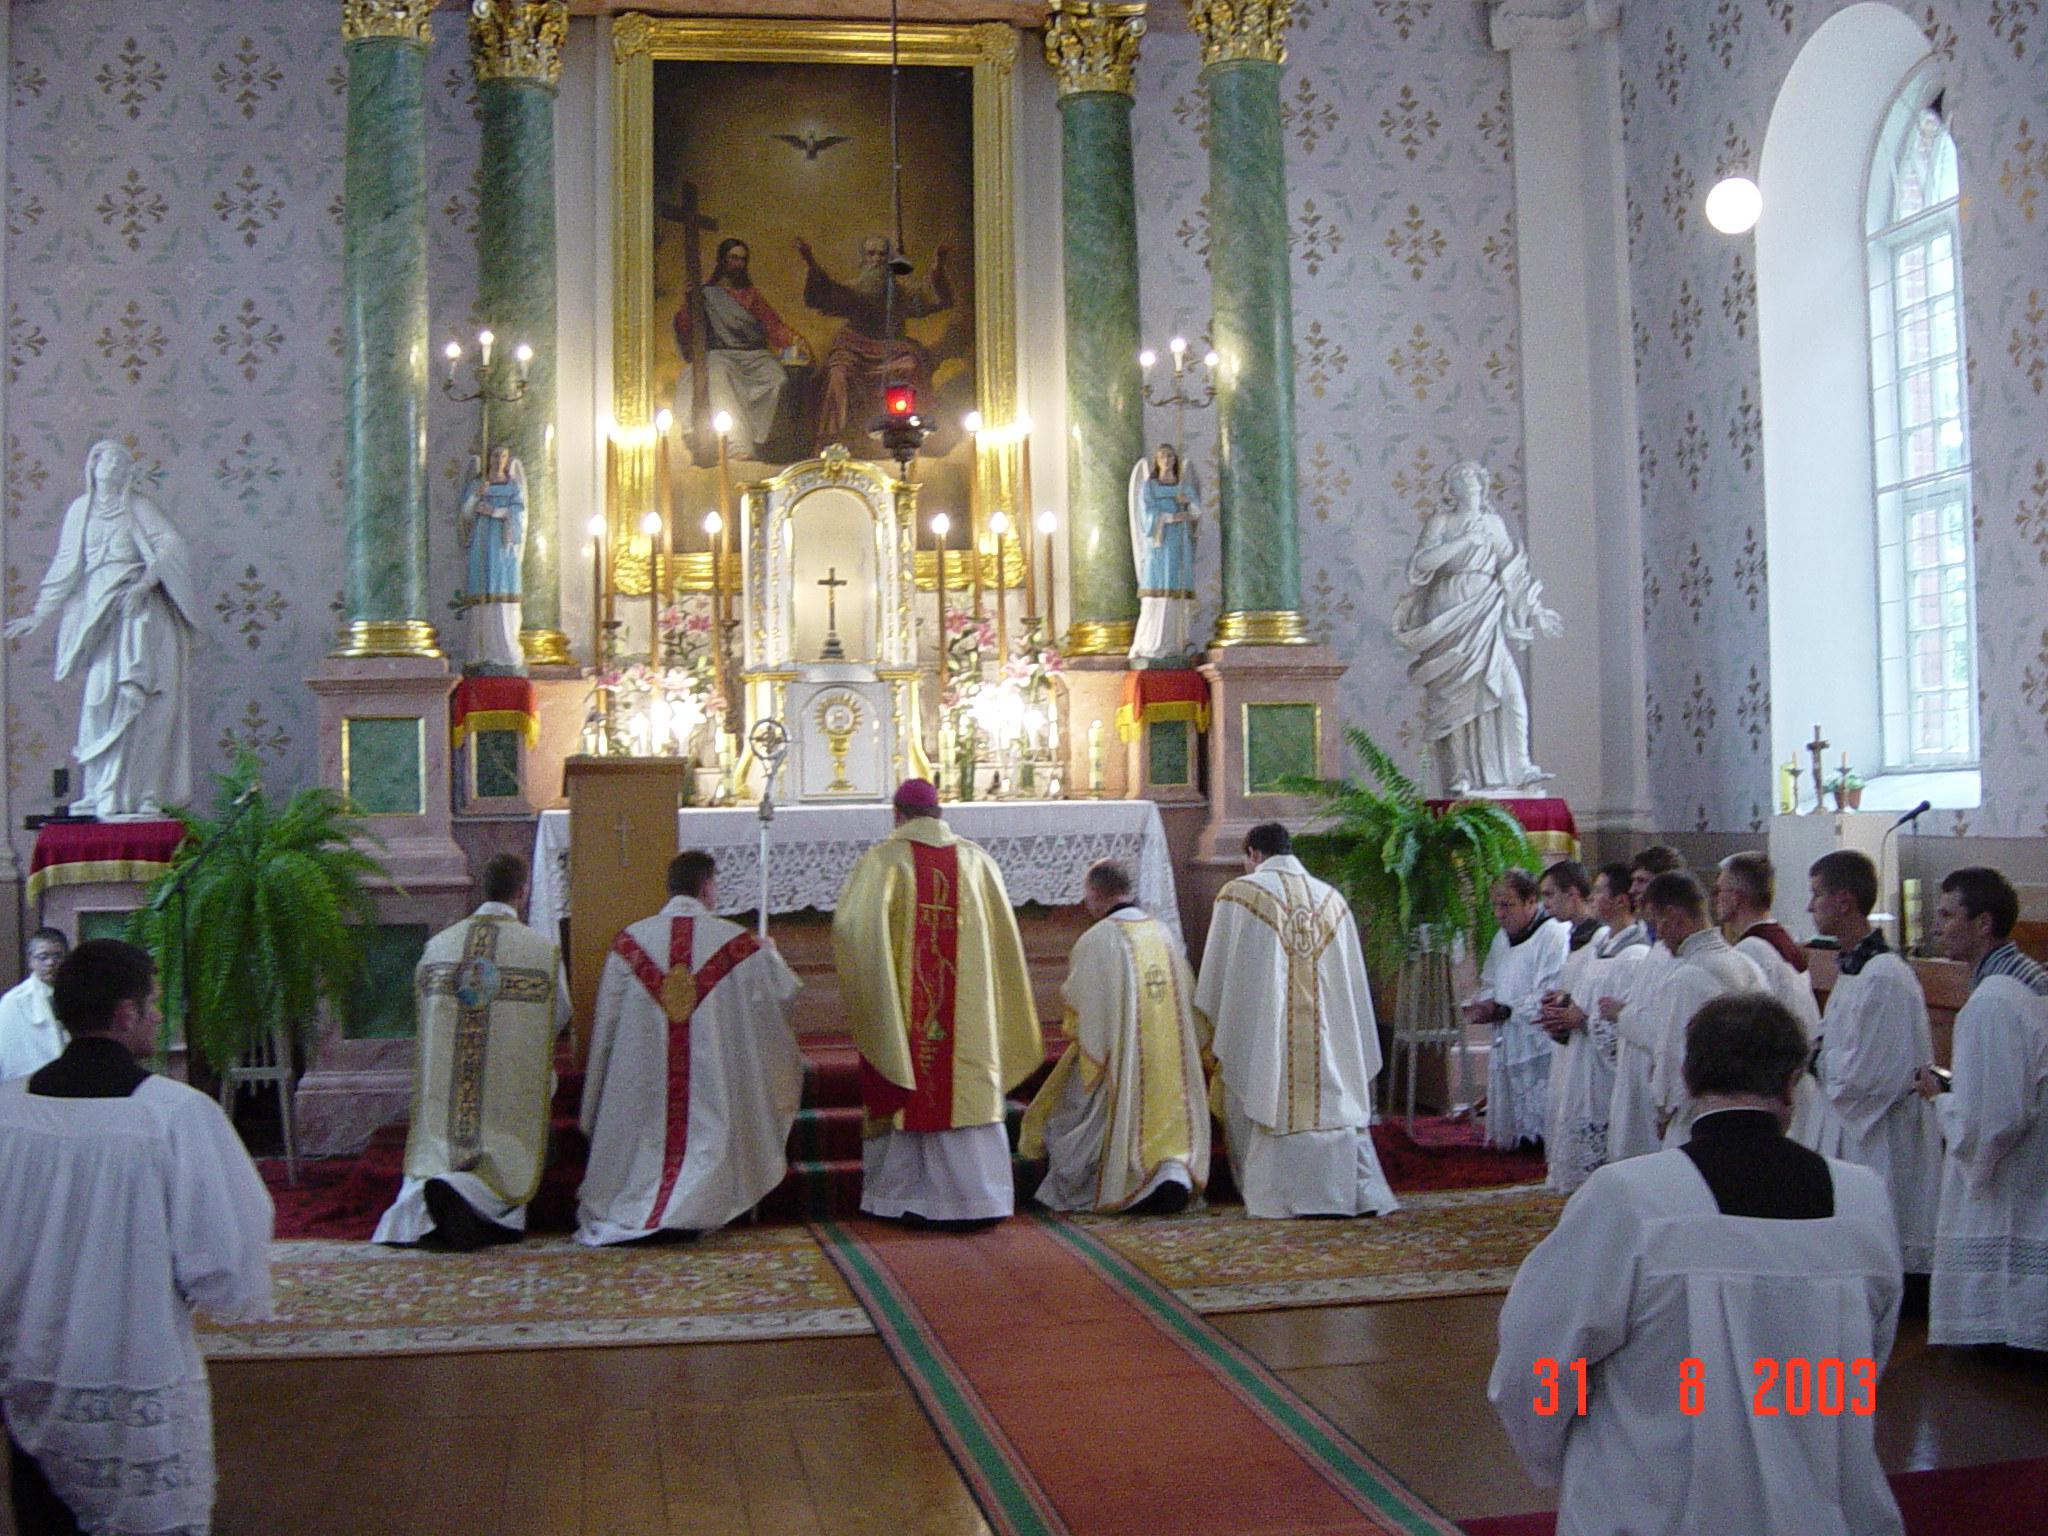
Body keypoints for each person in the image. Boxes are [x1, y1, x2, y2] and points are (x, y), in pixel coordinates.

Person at [1489, 994, 1906, 1536]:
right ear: (1792, 1084)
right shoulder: (1861, 1200)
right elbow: (1864, 1363)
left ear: (1686, 1078)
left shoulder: (1632, 1199)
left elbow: (1536, 1360)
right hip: (1819, 1506)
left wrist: (1554, 1453)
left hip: (1656, 1512)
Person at [0, 939, 273, 1536]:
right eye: (151, 1004)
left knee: (44, 1512)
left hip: (28, 1360)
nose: (157, 1017)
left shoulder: (6, 1112)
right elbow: (221, 1260)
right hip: (133, 1355)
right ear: (125, 1014)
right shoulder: (175, 1115)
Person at [831, 778, 1041, 1226]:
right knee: (961, 1083)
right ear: (939, 813)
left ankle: (903, 1198)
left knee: (911, 1073)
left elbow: (854, 934)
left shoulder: (883, 862)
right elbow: (1005, 946)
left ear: (897, 814)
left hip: (911, 1019)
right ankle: (977, 1199)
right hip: (968, 1021)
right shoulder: (977, 862)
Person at [576, 850, 803, 1245]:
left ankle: (639, 1204)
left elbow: (606, 1023)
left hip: (645, 1091)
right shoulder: (737, 944)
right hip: (708, 1094)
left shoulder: (631, 942)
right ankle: (694, 1204)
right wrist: (769, 952)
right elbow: (782, 994)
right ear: (706, 887)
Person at [1193, 822, 1398, 1219]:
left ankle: (1276, 1194)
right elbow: (1352, 989)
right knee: (1331, 1091)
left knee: (1262, 1078)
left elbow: (1218, 981)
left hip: (1269, 1045)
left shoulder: (1239, 894)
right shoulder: (1332, 900)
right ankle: (1341, 1194)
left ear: (1252, 854)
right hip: (1327, 1054)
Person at [373, 853, 571, 1250]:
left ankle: (435, 1201)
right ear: (522, 891)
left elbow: (427, 1015)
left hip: (451, 1082)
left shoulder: (439, 946)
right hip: (505, 1080)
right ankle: (478, 1209)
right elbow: (559, 1012)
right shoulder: (539, 952)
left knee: (443, 1148)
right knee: (507, 1152)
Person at [4, 439, 199, 819]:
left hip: (138, 617)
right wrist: (38, 615)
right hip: (99, 618)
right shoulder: (81, 511)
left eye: (119, 462)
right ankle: (98, 790)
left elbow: (173, 549)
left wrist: (143, 586)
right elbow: (65, 569)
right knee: (98, 699)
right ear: (92, 468)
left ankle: (145, 793)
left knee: (140, 702)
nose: (110, 466)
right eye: (104, 460)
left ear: (127, 473)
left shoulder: (139, 509)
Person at [1020, 859, 1208, 1214]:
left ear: (1094, 894)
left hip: (1118, 1059)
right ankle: (1171, 1174)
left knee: (1073, 1104)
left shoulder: (1097, 940)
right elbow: (1189, 998)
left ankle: (1128, 1182)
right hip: (1170, 1058)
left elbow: (1082, 1017)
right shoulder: (1163, 932)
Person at [1925, 866, 2048, 1352]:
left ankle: (2004, 1331)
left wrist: (1942, 1101)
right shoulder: (2024, 984)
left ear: (1983, 924)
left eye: (1948, 914)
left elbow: (1995, 1122)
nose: (1938, 926)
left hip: (2011, 1177)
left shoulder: (1994, 1002)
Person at [1806, 849, 1942, 1273]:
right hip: (1851, 1125)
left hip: (1879, 1136)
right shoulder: (1854, 971)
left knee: (1876, 1246)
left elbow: (1870, 1075)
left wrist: (1815, 1062)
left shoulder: (1884, 976)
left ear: (1844, 901)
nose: (1809, 907)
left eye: (1816, 895)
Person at [1391, 459, 1561, 795]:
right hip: (1448, 612)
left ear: (1483, 485)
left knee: (1509, 690)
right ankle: (1461, 773)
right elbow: (1421, 564)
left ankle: (1521, 765)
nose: (1469, 481)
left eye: (1474, 477)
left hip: (1485, 610)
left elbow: (1513, 572)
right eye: (1461, 477)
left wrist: (1536, 610)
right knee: (1454, 695)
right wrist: (1464, 542)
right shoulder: (1442, 522)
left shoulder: (1494, 524)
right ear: (1450, 489)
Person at [1634, 870, 1766, 1148]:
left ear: (1673, 915)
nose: (1658, 935)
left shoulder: (1685, 979)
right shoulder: (1747, 965)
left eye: (1656, 922)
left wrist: (1662, 1112)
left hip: (1701, 1123)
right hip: (1756, 1115)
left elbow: (1672, 1060)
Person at [1537, 863, 1648, 1192]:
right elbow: (1586, 997)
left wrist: (1584, 1020)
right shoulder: (1600, 944)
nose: (1593, 897)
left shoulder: (1636, 954)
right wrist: (1562, 1005)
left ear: (1621, 900)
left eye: (1600, 891)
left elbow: (1628, 1017)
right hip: (1582, 1062)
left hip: (1606, 1071)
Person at [798, 233, 953, 448]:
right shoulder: (852, 290)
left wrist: (938, 266)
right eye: (872, 254)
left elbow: (930, 296)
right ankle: (834, 439)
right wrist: (811, 262)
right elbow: (825, 292)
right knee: (838, 375)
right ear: (864, 258)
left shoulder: (901, 293)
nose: (877, 259)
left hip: (892, 350)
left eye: (882, 254)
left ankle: (912, 438)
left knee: (912, 366)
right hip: (853, 349)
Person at [1713, 851, 1826, 1145]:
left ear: (1737, 898)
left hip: (1779, 1086)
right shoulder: (1780, 939)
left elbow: (1748, 1033)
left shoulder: (1751, 951)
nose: (1715, 898)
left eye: (1720, 890)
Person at [673, 237, 810, 456]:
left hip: (755, 354)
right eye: (733, 258)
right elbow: (685, 328)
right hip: (721, 354)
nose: (739, 264)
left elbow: (773, 326)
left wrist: (795, 341)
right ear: (723, 261)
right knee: (719, 376)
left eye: (743, 260)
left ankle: (760, 440)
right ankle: (738, 443)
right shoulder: (706, 295)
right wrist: (690, 303)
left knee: (778, 379)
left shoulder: (751, 295)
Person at [1467, 869, 1567, 1151]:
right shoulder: (1502, 938)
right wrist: (1485, 1005)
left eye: (1507, 905)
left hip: (1539, 1042)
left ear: (1530, 901)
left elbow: (1551, 993)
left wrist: (1506, 1009)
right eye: (1495, 905)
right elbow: (1490, 981)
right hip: (1508, 1039)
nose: (1499, 914)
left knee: (1539, 1120)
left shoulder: (1553, 934)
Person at [1599, 846, 1685, 1160]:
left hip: (1654, 1075)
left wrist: (1623, 1015)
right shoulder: (1658, 947)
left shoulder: (1675, 954)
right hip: (1635, 1070)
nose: (1633, 889)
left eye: (1642, 881)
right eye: (1633, 881)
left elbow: (1666, 1028)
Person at [1126, 444, 1202, 663]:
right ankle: (1149, 644)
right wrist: (1168, 516)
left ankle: (1175, 644)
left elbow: (1198, 513)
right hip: (1160, 544)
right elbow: (1145, 516)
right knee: (1156, 594)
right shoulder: (1149, 487)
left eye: (1170, 456)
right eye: (1162, 456)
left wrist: (1188, 503)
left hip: (1180, 544)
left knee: (1177, 594)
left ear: (1175, 459)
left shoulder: (1184, 487)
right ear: (1156, 461)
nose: (1166, 460)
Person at [458, 443, 527, 675]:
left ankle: (505, 653)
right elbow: (465, 515)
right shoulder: (479, 485)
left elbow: (519, 514)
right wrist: (475, 498)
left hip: (502, 550)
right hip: (481, 547)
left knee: (502, 599)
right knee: (482, 602)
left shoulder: (512, 487)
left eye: (504, 455)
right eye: (496, 455)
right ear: (489, 458)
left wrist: (496, 512)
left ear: (508, 459)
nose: (500, 460)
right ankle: (481, 654)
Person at [0, 928, 69, 1080]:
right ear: (31, 961)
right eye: (43, 957)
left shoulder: (82, 995)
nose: (51, 963)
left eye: (57, 956)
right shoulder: (14, 1002)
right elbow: (9, 1055)